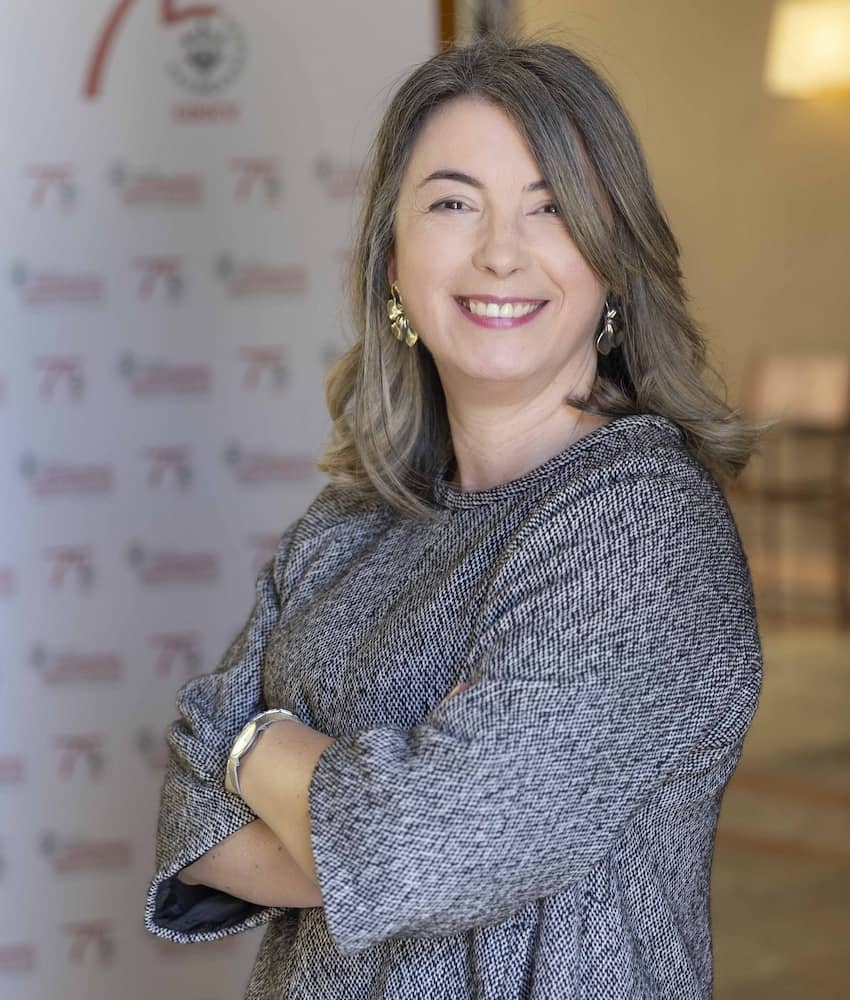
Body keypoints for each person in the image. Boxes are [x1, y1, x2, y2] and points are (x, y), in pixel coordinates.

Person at [144, 32, 764, 999]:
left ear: (614, 264)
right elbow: (189, 814)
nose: (500, 252)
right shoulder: (350, 521)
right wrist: (375, 825)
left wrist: (253, 745)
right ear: (393, 262)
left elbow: (423, 847)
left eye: (550, 207)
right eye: (452, 203)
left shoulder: (644, 527)